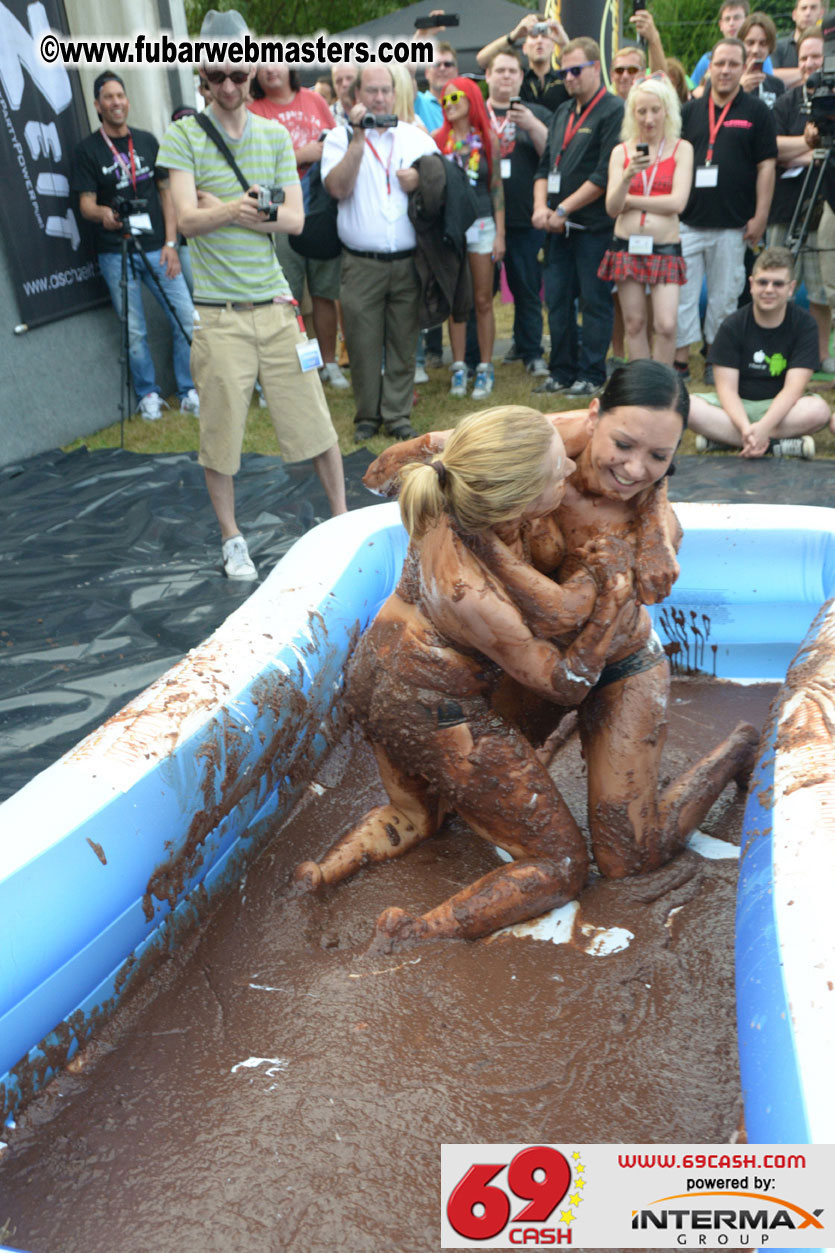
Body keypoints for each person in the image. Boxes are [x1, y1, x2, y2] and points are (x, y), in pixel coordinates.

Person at [300, 363, 759, 948]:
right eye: (622, 444)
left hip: (616, 664)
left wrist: (654, 530)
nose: (634, 470)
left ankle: (736, 749)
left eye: (660, 458)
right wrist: (433, 455)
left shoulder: (642, 512)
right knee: (479, 792)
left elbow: (566, 612)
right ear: (591, 417)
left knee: (628, 859)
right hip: (533, 666)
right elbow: (548, 625)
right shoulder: (533, 450)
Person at [292, 405, 634, 943]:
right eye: (555, 474)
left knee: (414, 814)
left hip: (374, 669)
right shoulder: (473, 592)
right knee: (562, 863)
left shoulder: (451, 483)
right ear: (518, 501)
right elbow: (564, 682)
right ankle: (420, 930)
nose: (570, 471)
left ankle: (321, 873)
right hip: (433, 710)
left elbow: (381, 470)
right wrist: (611, 599)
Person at [158, 10, 347, 581]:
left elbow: (293, 218)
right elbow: (186, 220)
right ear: (202, 77)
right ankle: (232, 539)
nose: (230, 84)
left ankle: (341, 521)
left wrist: (229, 209)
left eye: (238, 72)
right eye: (217, 75)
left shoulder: (271, 134)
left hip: (274, 307)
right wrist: (234, 209)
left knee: (316, 423)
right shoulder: (184, 135)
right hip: (218, 316)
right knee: (219, 436)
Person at [321, 65, 439, 442]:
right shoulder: (340, 138)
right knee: (362, 340)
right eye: (371, 91)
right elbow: (337, 188)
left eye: (386, 90)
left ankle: (398, 414)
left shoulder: (413, 137)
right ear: (357, 95)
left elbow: (445, 182)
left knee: (404, 339)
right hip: (361, 261)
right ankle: (367, 416)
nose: (380, 98)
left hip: (406, 260)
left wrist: (422, 180)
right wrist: (358, 139)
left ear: (395, 93)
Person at [72, 71, 198, 422]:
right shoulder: (87, 150)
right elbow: (86, 204)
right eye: (108, 98)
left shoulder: (147, 141)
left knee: (185, 317)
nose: (116, 103)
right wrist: (104, 215)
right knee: (134, 329)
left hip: (160, 245)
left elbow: (166, 194)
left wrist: (173, 242)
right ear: (97, 105)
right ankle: (148, 395)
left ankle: (188, 390)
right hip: (117, 250)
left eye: (120, 96)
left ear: (128, 101)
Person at [674, 37, 777, 384]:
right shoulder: (689, 112)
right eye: (719, 64)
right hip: (687, 222)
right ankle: (679, 361)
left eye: (733, 64)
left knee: (724, 299)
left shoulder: (757, 112)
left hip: (734, 225)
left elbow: (766, 166)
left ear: (744, 66)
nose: (725, 70)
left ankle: (715, 358)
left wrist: (761, 215)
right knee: (682, 297)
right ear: (709, 67)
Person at [532, 38, 624, 397]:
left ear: (595, 68)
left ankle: (591, 373)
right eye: (563, 72)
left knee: (593, 301)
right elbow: (544, 167)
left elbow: (604, 175)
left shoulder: (614, 109)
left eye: (575, 70)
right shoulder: (562, 113)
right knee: (556, 300)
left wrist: (563, 208)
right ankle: (561, 370)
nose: (568, 78)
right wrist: (541, 209)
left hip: (592, 228)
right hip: (556, 228)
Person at [247, 65, 348, 390]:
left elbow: (337, 144)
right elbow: (252, 163)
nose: (269, 70)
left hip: (320, 211)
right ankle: (293, 368)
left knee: (324, 292)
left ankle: (329, 363)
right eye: (260, 66)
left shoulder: (314, 100)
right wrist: (300, 154)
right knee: (286, 297)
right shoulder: (254, 110)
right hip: (278, 214)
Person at [688, 245, 834, 457]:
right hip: (736, 408)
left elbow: (793, 389)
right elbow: (727, 390)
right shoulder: (732, 325)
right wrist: (747, 427)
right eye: (763, 282)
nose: (769, 290)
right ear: (751, 284)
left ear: (791, 288)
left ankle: (726, 440)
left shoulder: (805, 325)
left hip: (782, 408)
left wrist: (764, 426)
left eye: (778, 284)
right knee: (688, 405)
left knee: (819, 411)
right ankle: (775, 444)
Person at [599, 72, 693, 365]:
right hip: (627, 246)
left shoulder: (681, 149)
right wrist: (627, 176)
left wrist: (632, 201)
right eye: (642, 111)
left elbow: (677, 202)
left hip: (664, 248)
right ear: (632, 114)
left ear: (667, 111)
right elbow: (613, 207)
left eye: (655, 110)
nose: (649, 118)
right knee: (635, 323)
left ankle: (662, 385)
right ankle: (641, 387)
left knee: (665, 324)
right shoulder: (620, 152)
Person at [434, 77, 504, 400]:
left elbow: (496, 188)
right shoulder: (438, 141)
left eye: (456, 97)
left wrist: (500, 233)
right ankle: (459, 367)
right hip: (451, 227)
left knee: (482, 299)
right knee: (456, 301)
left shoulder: (488, 138)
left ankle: (485, 369)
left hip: (483, 224)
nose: (449, 104)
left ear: (472, 98)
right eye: (444, 99)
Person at [484, 49, 551, 378]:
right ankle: (474, 356)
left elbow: (554, 155)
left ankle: (531, 351)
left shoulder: (536, 112)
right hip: (482, 220)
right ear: (488, 76)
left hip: (526, 218)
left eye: (513, 71)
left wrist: (533, 125)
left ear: (521, 78)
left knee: (527, 289)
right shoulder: (475, 113)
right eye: (500, 70)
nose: (506, 76)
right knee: (481, 293)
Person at [769, 28, 833, 366]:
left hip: (824, 209)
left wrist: (801, 153)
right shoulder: (785, 103)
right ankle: (781, 355)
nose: (809, 63)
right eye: (804, 57)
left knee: (822, 293)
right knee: (777, 286)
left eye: (817, 56)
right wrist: (810, 147)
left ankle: (822, 356)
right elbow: (772, 149)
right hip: (785, 211)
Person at [477, 13, 570, 112]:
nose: (539, 40)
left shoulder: (566, 78)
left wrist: (565, 43)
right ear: (524, 48)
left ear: (553, 47)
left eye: (544, 36)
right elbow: (482, 60)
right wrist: (514, 35)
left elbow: (586, 75)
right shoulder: (516, 77)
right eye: (534, 36)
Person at [691, 0, 775, 91]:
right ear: (720, 25)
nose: (731, 23)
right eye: (727, 19)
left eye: (736, 18)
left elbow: (769, 87)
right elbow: (692, 90)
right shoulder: (707, 59)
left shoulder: (759, 58)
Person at [738, 12, 785, 110]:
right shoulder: (727, 81)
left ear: (770, 47)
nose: (755, 50)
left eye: (763, 44)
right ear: (740, 44)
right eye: (750, 43)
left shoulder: (776, 85)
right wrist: (739, 90)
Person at [772, 0, 824, 87]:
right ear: (794, 15)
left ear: (821, 13)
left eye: (813, 8)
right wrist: (815, 73)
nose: (808, 13)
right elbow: (769, 78)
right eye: (804, 8)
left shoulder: (829, 46)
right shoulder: (777, 47)